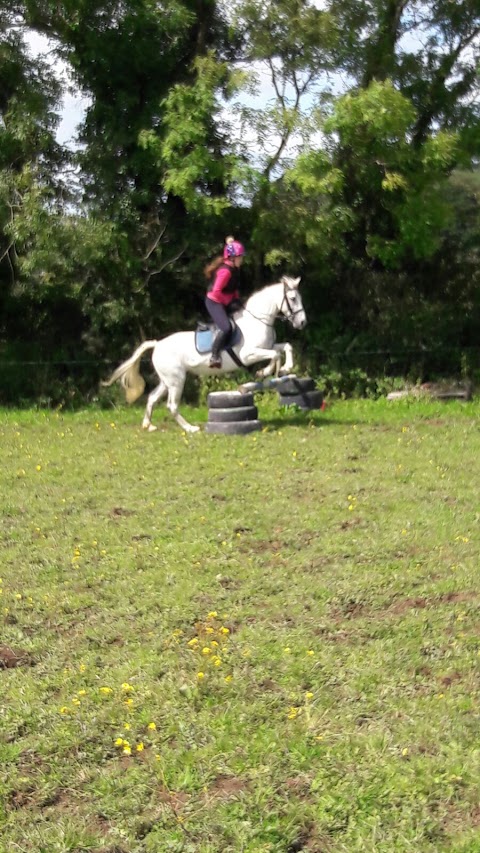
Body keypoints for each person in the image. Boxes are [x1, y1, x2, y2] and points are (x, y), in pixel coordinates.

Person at [204, 236, 245, 368]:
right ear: (232, 258)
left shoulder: (235, 270)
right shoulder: (225, 271)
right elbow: (216, 291)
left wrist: (237, 300)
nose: (242, 259)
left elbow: (233, 288)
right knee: (226, 327)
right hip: (214, 302)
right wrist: (229, 302)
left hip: (223, 301)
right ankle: (214, 356)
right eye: (240, 257)